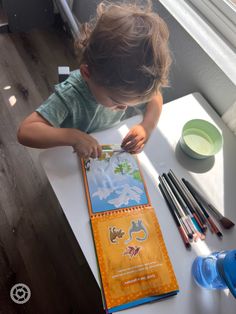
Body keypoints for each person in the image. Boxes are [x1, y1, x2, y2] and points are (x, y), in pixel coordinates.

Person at [17, 0, 171, 159]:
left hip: (103, 145)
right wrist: (73, 137)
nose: (123, 109)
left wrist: (146, 127)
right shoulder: (71, 95)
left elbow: (155, 97)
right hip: (69, 152)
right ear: (86, 73)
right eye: (117, 101)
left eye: (129, 103)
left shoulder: (129, 87)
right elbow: (26, 131)